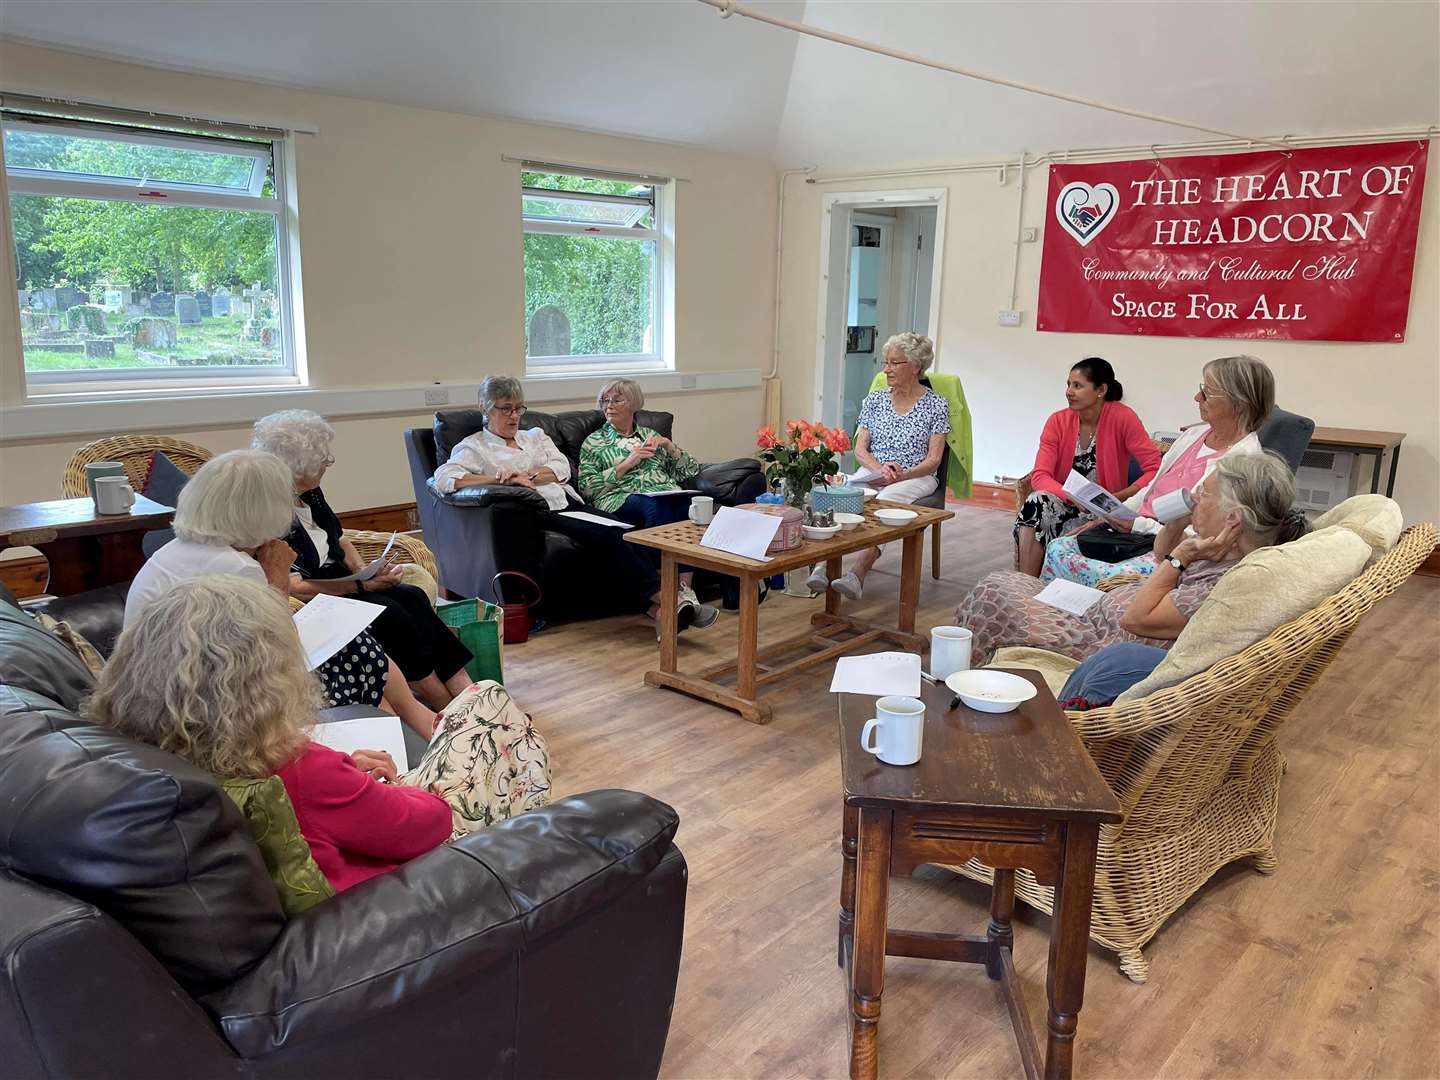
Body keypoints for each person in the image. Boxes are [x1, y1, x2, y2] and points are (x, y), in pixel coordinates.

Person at [89, 576, 550, 894]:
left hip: (347, 850)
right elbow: (429, 824)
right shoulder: (300, 770)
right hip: (402, 895)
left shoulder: (142, 752)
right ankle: (540, 861)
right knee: (488, 702)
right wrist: (372, 788)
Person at [123, 449, 438, 737]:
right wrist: (276, 576)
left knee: (357, 644)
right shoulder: (234, 567)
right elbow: (273, 646)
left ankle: (410, 722)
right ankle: (415, 725)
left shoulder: (179, 549)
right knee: (358, 648)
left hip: (176, 687)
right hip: (205, 701)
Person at [957, 451, 1310, 666]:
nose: (1197, 496)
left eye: (1206, 494)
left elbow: (1136, 619)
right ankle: (970, 674)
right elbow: (1160, 553)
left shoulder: (1226, 583)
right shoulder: (1220, 549)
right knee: (1011, 583)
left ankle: (960, 683)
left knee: (996, 590)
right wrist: (1181, 521)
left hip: (1098, 640)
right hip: (1097, 613)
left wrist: (1182, 556)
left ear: (1233, 518)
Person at [434, 375, 712, 632]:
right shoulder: (474, 446)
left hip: (567, 502)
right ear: (485, 408)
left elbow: (561, 467)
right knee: (610, 534)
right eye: (506, 409)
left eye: (519, 408)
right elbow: (444, 479)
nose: (514, 416)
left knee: (624, 529)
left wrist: (528, 474)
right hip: (537, 510)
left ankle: (658, 610)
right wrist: (497, 479)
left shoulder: (534, 436)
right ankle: (673, 602)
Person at [252, 409, 474, 709]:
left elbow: (339, 536)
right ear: (296, 468)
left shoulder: (311, 493)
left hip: (344, 578)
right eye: (322, 460)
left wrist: (363, 570)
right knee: (391, 614)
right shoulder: (268, 512)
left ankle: (467, 693)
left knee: (413, 596)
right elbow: (291, 584)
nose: (328, 464)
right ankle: (444, 706)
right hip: (316, 594)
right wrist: (361, 587)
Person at [1042, 354, 1273, 586]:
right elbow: (1151, 490)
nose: (1197, 398)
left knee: (1105, 576)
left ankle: (1088, 618)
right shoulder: (1193, 435)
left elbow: (1206, 535)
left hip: (1168, 545)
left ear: (1238, 402)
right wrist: (1116, 515)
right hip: (1134, 530)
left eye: (1207, 392)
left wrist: (1137, 524)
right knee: (1060, 546)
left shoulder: (1245, 462)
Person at [807, 332, 950, 600]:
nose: (886, 369)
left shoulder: (936, 405)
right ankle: (823, 566)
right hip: (875, 470)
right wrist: (879, 470)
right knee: (839, 495)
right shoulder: (875, 400)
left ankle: (857, 575)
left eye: (895, 363)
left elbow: (934, 460)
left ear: (916, 366)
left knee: (885, 502)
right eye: (886, 362)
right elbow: (860, 449)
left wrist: (900, 475)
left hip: (916, 475)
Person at [578, 377, 718, 628]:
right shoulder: (594, 442)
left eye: (616, 399)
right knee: (654, 508)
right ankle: (671, 591)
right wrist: (626, 464)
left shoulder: (652, 435)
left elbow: (689, 471)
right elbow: (587, 489)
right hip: (620, 498)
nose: (608, 405)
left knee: (691, 505)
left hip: (666, 493)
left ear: (633, 404)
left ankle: (684, 589)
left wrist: (670, 446)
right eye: (604, 400)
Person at [1014, 357, 1161, 576]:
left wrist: (1122, 495)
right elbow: (1040, 476)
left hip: (1107, 511)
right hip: (1066, 504)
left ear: (1101, 390)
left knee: (1040, 512)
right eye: (1068, 385)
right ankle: (1025, 585)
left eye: (1078, 386)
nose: (1069, 392)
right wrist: (1070, 496)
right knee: (1037, 501)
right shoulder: (1057, 421)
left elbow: (1156, 469)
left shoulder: (1123, 418)